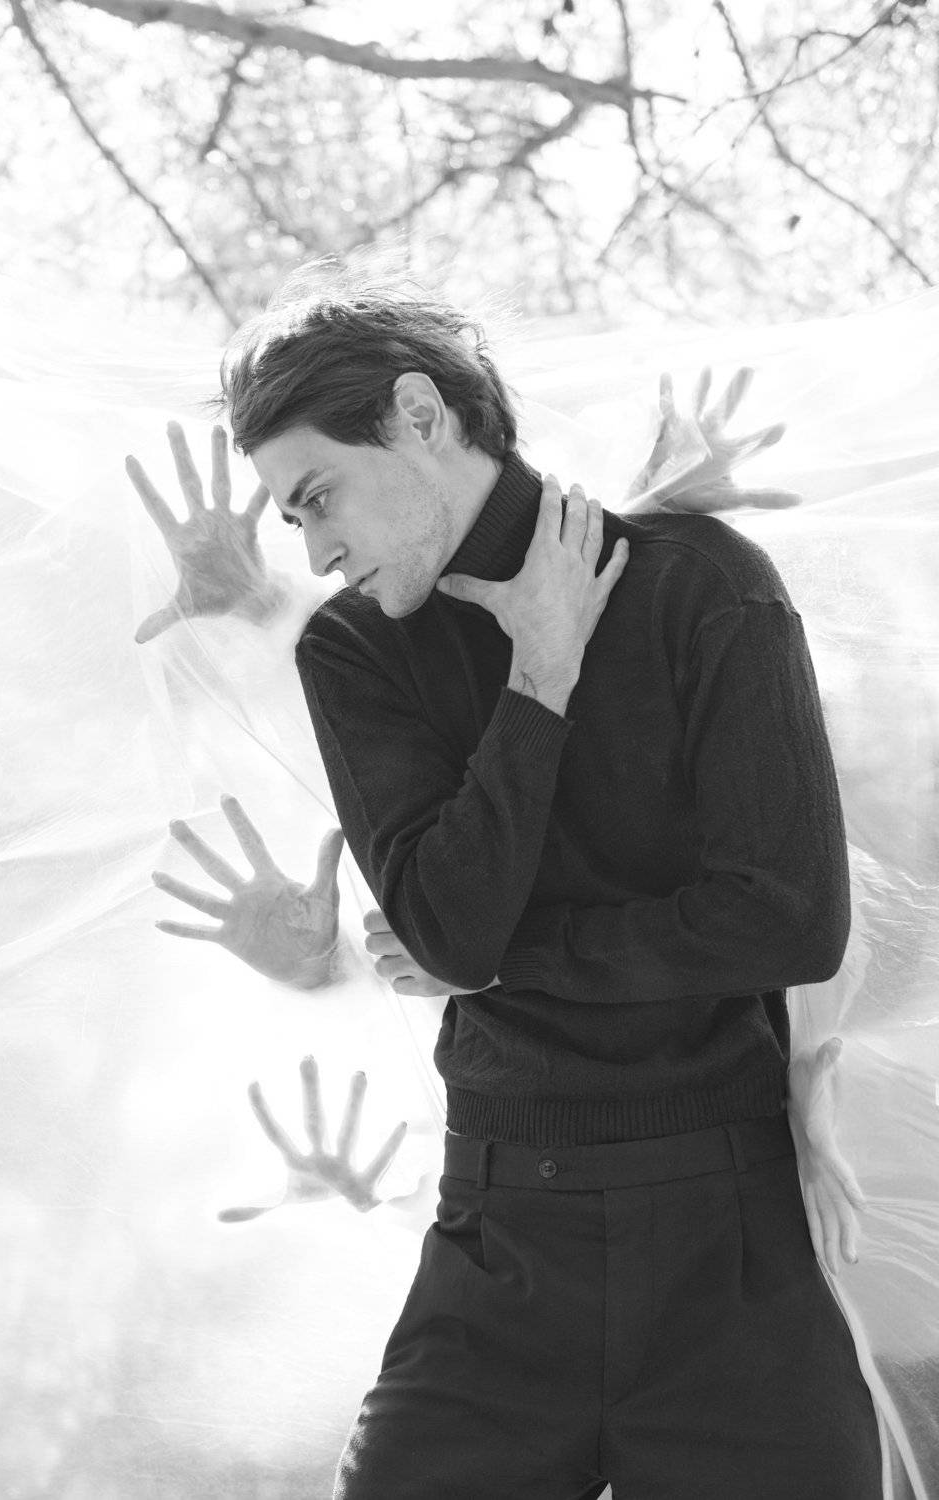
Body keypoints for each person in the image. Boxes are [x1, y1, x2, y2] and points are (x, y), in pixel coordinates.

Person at [129, 283, 884, 1498]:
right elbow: (447, 928)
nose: (314, 552)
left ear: (419, 415)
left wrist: (502, 961)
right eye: (290, 523)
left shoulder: (701, 581)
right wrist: (540, 669)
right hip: (499, 1248)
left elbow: (790, 922)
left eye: (317, 497)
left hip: (735, 1256)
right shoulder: (354, 649)